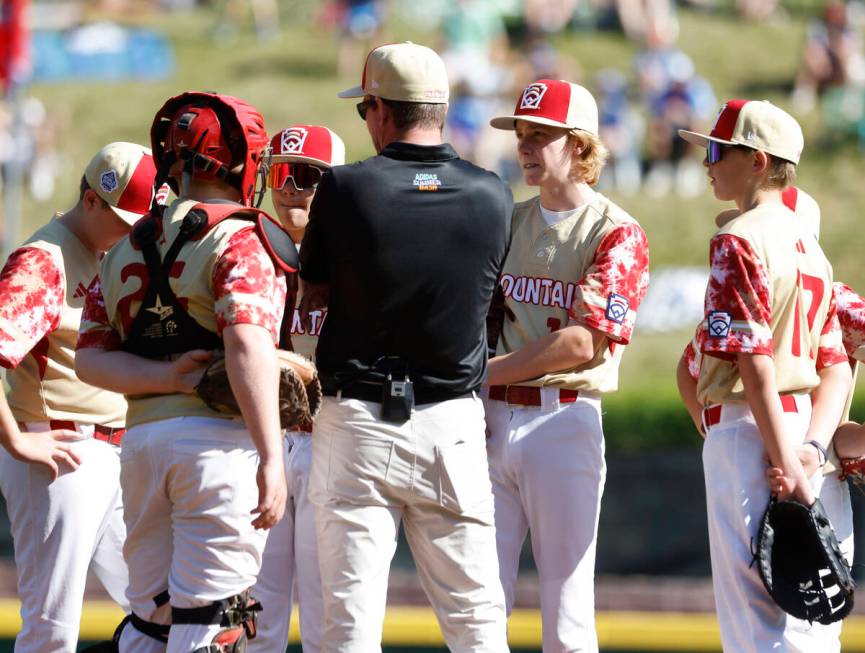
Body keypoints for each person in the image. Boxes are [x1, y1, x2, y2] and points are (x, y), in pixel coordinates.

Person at [299, 41, 512, 652]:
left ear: (382, 110)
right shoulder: (493, 194)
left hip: (359, 420)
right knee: (477, 624)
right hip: (452, 424)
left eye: (365, 109)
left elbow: (313, 286)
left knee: (349, 628)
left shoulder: (345, 188)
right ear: (440, 110)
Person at [75, 91, 294, 653]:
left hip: (142, 444)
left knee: (151, 620)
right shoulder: (242, 237)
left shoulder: (126, 243)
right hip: (217, 447)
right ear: (239, 158)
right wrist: (272, 457)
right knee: (215, 621)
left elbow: (91, 358)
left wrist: (169, 377)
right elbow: (247, 343)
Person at [677, 99, 851, 652]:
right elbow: (834, 364)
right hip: (802, 433)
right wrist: (808, 453)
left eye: (716, 150)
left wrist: (784, 464)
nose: (707, 162)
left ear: (757, 160)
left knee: (752, 627)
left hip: (753, 432)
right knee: (808, 632)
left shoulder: (740, 238)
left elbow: (754, 367)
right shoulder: (812, 250)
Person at [485, 79, 650, 652]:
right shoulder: (506, 220)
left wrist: (482, 374)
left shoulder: (616, 231)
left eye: (542, 135)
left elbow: (583, 343)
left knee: (566, 615)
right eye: (521, 135)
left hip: (563, 418)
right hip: (489, 418)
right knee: (479, 606)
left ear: (580, 146)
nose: (525, 146)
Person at [0, 141, 157, 653]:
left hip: (112, 453)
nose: (132, 230)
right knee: (52, 629)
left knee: (162, 611)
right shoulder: (43, 261)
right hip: (57, 451)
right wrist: (19, 443)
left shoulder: (103, 253)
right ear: (90, 200)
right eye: (122, 217)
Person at [249, 123, 345, 653]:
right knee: (255, 613)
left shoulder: (358, 259)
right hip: (264, 439)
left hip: (331, 437)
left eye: (306, 176)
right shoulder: (249, 252)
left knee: (325, 614)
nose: (290, 188)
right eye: (282, 173)